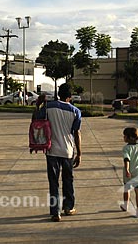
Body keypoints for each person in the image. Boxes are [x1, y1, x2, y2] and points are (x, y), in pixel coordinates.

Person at [45, 83, 82, 222]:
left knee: (53, 182)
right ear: (70, 97)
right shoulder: (75, 111)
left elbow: (37, 120)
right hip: (68, 151)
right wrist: (79, 153)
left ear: (58, 93)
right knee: (68, 180)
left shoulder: (48, 107)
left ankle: (55, 212)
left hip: (51, 150)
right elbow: (76, 133)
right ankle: (68, 207)